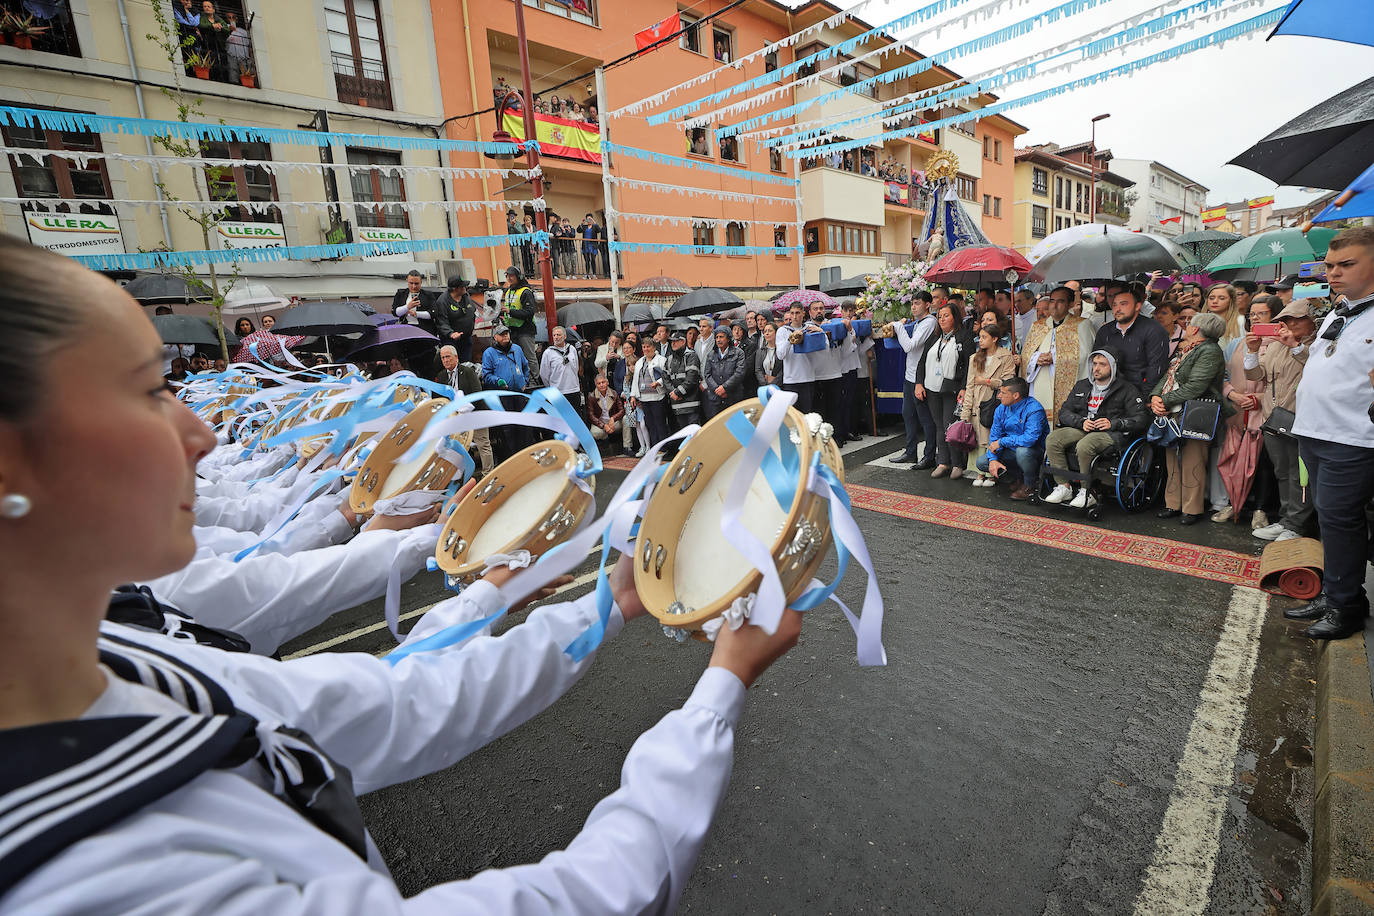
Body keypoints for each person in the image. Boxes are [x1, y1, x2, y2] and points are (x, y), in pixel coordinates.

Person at [0, 235, 803, 915]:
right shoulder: (82, 876)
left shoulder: (119, 664)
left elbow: (401, 698)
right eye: (150, 392)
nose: (201, 432)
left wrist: (607, 600)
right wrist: (715, 697)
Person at [1286, 227, 1374, 639]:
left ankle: (1346, 606)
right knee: (1327, 515)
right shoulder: (1340, 312)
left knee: (1341, 518)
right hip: (1316, 431)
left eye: (1346, 264)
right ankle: (1339, 592)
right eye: (1330, 266)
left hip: (1352, 435)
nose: (1333, 273)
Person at [1151, 312, 1235, 526]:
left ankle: (1192, 508)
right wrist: (1155, 396)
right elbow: (1168, 375)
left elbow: (1197, 386)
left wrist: (1164, 399)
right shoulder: (1188, 349)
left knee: (1193, 461)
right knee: (1172, 458)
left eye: (1189, 324)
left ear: (1195, 329)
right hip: (1174, 410)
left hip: (1196, 411)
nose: (1186, 326)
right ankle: (1173, 504)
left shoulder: (1210, 351)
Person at [1245, 301, 1317, 543]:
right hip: (1273, 420)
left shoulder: (1318, 345)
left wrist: (1295, 346)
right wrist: (1253, 352)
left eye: (1298, 319)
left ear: (1313, 321)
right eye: (1286, 320)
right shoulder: (1276, 346)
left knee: (1300, 476)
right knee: (1282, 473)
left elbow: (1316, 370)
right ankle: (1287, 520)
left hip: (1301, 420)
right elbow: (1257, 376)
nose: (1290, 324)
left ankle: (1297, 524)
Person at [1043, 350, 1148, 508]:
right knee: (1053, 439)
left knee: (1086, 444)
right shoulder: (1082, 385)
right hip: (1084, 427)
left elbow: (1141, 419)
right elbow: (1064, 412)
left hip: (1111, 433)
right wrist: (1081, 422)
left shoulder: (1127, 389)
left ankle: (1087, 491)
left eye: (1102, 364)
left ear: (1112, 367)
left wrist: (1113, 423)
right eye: (1094, 364)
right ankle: (1063, 486)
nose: (1096, 368)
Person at [913, 302, 974, 479]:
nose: (942, 319)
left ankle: (957, 464)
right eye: (939, 316)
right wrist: (918, 383)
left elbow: (970, 365)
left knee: (950, 425)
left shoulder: (964, 336)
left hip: (951, 388)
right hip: (932, 387)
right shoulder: (934, 338)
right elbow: (922, 362)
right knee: (938, 425)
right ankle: (943, 462)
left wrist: (964, 387)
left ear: (955, 317)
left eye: (946, 315)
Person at [1019, 285, 1093, 429]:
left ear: (1070, 304)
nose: (1055, 305)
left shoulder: (1082, 325)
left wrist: (1056, 357)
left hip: (1067, 386)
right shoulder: (1037, 326)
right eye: (1052, 301)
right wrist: (1035, 359)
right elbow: (1026, 354)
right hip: (1040, 380)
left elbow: (1086, 358)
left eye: (1060, 301)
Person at [961, 323, 1017, 487]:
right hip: (977, 402)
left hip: (995, 401)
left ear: (995, 339)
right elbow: (970, 386)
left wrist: (987, 381)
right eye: (980, 337)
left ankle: (992, 474)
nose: (980, 340)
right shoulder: (975, 357)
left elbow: (1009, 381)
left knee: (993, 435)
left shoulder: (1005, 356)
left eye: (985, 337)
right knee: (979, 439)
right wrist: (966, 411)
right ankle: (980, 472)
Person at [977, 376, 1048, 500]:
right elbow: (994, 437)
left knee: (1022, 452)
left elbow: (1029, 439)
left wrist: (1002, 441)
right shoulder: (1001, 409)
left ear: (1016, 395)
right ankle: (1017, 478)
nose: (999, 396)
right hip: (1010, 450)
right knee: (983, 462)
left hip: (1034, 451)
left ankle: (1030, 485)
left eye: (1003, 393)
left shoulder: (1034, 409)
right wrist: (993, 459)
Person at [1095, 281, 1171, 395]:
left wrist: (1143, 398)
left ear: (1137, 306)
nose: (1118, 309)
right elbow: (1096, 363)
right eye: (1115, 304)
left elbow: (1156, 369)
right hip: (1108, 394)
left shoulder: (1154, 330)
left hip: (1140, 393)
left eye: (1123, 304)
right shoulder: (1105, 331)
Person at [889, 292, 937, 466]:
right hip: (910, 375)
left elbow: (910, 346)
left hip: (921, 377)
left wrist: (898, 326)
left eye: (917, 303)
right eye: (912, 304)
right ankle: (911, 452)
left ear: (927, 305)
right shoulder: (918, 323)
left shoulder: (930, 322)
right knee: (908, 414)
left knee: (925, 418)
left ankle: (929, 455)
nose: (914, 307)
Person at [498, 266, 539, 382]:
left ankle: (535, 380)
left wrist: (510, 311)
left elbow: (529, 312)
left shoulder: (526, 291)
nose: (509, 278)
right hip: (512, 330)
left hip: (525, 329)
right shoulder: (508, 291)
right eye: (507, 276)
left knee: (529, 356)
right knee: (515, 357)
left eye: (511, 276)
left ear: (518, 277)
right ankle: (520, 379)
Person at [776, 303, 817, 414]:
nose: (794, 316)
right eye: (792, 313)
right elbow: (780, 355)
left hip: (808, 378)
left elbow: (820, 349)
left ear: (803, 313)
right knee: (793, 416)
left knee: (807, 415)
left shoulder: (809, 328)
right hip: (791, 380)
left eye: (798, 313)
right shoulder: (783, 331)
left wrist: (819, 331)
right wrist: (790, 339)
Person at [630, 337, 668, 447]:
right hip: (643, 398)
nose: (646, 349)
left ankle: (664, 448)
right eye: (644, 347)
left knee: (659, 423)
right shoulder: (639, 362)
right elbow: (635, 380)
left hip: (657, 397)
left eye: (648, 346)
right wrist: (633, 396)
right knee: (649, 424)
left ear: (653, 347)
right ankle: (655, 446)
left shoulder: (661, 360)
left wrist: (658, 382)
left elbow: (666, 375)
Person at [703, 325, 747, 419]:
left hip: (733, 396)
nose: (718, 340)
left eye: (721, 337)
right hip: (715, 397)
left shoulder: (739, 353)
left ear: (728, 339)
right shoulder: (711, 355)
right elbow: (707, 374)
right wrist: (717, 389)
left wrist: (725, 387)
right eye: (717, 337)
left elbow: (739, 373)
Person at [663, 329, 703, 430]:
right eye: (672, 341)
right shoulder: (669, 359)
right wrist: (673, 393)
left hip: (691, 404)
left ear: (683, 342)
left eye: (676, 341)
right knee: (683, 434)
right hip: (677, 405)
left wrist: (678, 392)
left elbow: (692, 378)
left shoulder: (691, 356)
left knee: (694, 434)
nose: (673, 343)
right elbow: (665, 379)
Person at [539, 325, 583, 413]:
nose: (556, 337)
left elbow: (576, 368)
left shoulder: (572, 349)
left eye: (558, 335)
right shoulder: (548, 353)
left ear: (565, 336)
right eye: (554, 335)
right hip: (558, 392)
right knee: (561, 419)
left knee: (575, 417)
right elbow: (544, 374)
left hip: (573, 390)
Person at [433, 276, 477, 362]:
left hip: (466, 339)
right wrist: (451, 333)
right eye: (462, 286)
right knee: (453, 364)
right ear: (455, 289)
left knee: (466, 365)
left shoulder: (466, 296)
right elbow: (441, 322)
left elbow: (472, 310)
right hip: (451, 341)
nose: (465, 288)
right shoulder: (443, 301)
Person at [391, 269, 438, 336]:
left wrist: (416, 314)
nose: (414, 286)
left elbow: (434, 313)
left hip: (424, 330)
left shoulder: (428, 295)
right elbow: (395, 312)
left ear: (421, 282)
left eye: (416, 283)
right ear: (407, 281)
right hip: (406, 329)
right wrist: (407, 307)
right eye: (411, 283)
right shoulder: (401, 294)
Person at [619, 339, 645, 456]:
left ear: (634, 349)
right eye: (624, 348)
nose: (626, 350)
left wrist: (637, 398)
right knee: (634, 424)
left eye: (629, 348)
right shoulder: (620, 365)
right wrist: (626, 395)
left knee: (643, 424)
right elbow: (619, 381)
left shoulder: (640, 364)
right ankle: (637, 447)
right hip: (629, 402)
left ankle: (648, 446)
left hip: (641, 400)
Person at [587, 373, 625, 454]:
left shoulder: (614, 393)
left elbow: (622, 410)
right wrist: (603, 425)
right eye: (599, 383)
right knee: (595, 433)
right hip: (601, 423)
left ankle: (627, 447)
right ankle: (606, 442)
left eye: (603, 382)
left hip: (613, 422)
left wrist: (613, 418)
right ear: (596, 385)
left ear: (607, 382)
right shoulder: (592, 396)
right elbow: (591, 416)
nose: (601, 385)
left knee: (626, 421)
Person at [224, 9, 252, 83]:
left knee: (246, 75)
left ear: (236, 19)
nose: (231, 19)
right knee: (233, 73)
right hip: (232, 55)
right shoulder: (224, 28)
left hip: (243, 57)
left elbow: (249, 45)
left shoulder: (243, 32)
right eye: (229, 17)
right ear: (226, 19)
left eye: (233, 17)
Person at [756, 322, 781, 388]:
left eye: (770, 331)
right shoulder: (760, 351)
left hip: (779, 386)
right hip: (764, 387)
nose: (767, 333)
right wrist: (765, 383)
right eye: (765, 331)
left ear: (776, 333)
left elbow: (783, 370)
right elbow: (758, 370)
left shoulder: (781, 350)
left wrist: (773, 382)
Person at [579, 214, 602, 278]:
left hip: (593, 245)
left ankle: (594, 273)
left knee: (593, 259)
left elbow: (599, 230)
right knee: (587, 260)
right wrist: (582, 223)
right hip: (585, 245)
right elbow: (578, 230)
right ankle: (587, 274)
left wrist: (594, 222)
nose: (589, 220)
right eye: (587, 219)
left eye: (590, 219)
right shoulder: (584, 226)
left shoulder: (594, 226)